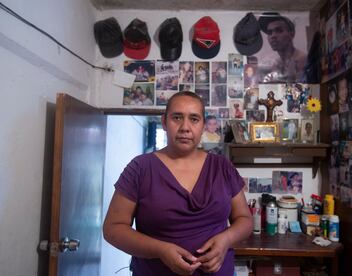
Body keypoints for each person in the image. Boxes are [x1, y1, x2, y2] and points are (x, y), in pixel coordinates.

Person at [103, 91, 252, 276]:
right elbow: (113, 228)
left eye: (194, 119)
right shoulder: (140, 168)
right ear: (164, 122)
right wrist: (160, 250)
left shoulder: (222, 167)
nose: (185, 127)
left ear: (203, 125)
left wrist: (226, 240)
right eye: (177, 117)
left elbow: (245, 220)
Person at [258, 12, 307, 82]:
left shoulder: (303, 60)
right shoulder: (275, 65)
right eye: (269, 33)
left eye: (279, 30)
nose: (273, 36)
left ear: (291, 34)